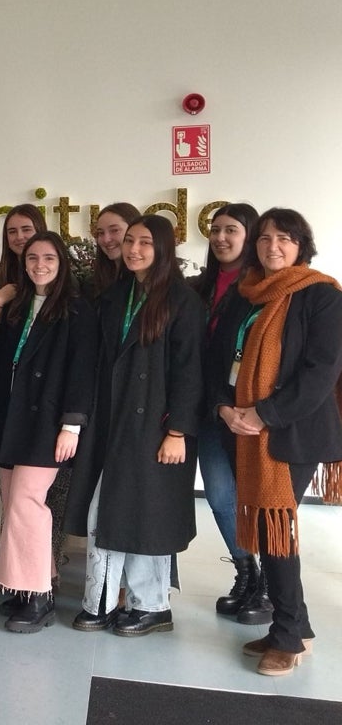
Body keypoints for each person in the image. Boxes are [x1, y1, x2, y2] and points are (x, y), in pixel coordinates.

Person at [210, 208, 342, 676]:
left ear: (300, 245)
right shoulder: (246, 295)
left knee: (275, 528)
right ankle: (295, 626)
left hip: (291, 432)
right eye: (265, 239)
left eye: (284, 239)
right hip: (239, 427)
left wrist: (263, 413)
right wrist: (226, 408)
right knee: (271, 533)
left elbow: (322, 372)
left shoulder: (320, 296)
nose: (273, 248)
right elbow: (221, 358)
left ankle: (288, 636)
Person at [65, 214, 203, 636]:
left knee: (149, 516)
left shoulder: (183, 301)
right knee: (107, 511)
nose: (134, 250)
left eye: (145, 242)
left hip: (158, 427)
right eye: (129, 241)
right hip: (113, 420)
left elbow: (190, 371)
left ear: (163, 249)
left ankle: (150, 606)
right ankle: (105, 602)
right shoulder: (114, 296)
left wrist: (177, 430)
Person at [0, 232, 97, 632]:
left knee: (28, 503)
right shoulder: (18, 306)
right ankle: (20, 587)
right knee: (14, 503)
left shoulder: (77, 311)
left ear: (61, 262)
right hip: (10, 421)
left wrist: (71, 426)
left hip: (47, 424)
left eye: (48, 258)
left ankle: (39, 596)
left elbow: (82, 373)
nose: (39, 265)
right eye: (31, 258)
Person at [189, 203, 271, 625]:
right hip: (206, 407)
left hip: (251, 412)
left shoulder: (261, 286)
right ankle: (248, 573)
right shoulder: (198, 286)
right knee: (221, 496)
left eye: (231, 230)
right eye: (215, 230)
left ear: (250, 236)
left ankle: (271, 583)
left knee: (257, 498)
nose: (221, 237)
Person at [0, 204, 47, 568]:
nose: (20, 237)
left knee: (32, 496)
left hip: (45, 403)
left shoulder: (58, 277)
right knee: (10, 493)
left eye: (27, 229)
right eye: (13, 231)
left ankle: (39, 573)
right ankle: (15, 574)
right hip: (4, 397)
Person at [86, 203, 142, 300]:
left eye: (115, 230)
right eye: (100, 233)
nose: (106, 239)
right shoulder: (92, 284)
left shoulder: (148, 284)